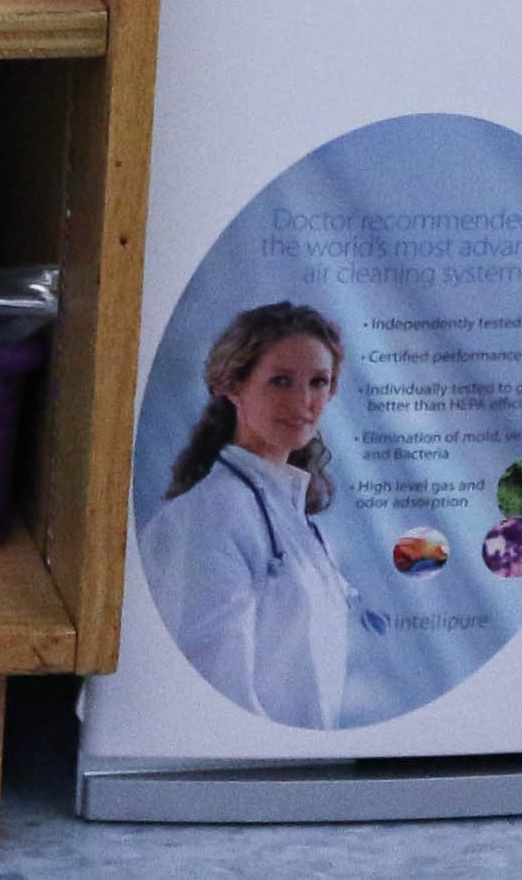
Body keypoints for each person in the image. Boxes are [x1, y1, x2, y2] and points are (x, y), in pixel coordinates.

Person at [143, 300, 360, 728]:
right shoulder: (211, 515)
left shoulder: (296, 519)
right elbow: (212, 680)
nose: (303, 401)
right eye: (281, 381)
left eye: (318, 382)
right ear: (233, 386)